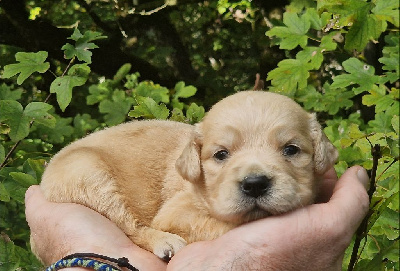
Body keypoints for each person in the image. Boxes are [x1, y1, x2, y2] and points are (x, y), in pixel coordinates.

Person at [25, 166, 370, 271]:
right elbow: (173, 217)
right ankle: (142, 234)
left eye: (291, 151)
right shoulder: (192, 184)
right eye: (221, 154)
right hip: (85, 171)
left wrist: (82, 257)